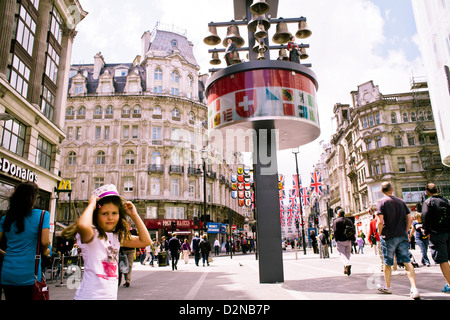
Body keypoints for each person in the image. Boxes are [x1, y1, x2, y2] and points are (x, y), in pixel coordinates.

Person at [61, 184, 151, 300]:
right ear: (96, 215)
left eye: (114, 213)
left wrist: (134, 215)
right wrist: (91, 205)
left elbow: (145, 241)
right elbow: (83, 225)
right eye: (104, 213)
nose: (110, 217)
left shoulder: (116, 237)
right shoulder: (92, 234)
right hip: (88, 297)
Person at [0, 182, 50, 300]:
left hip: (8, 273)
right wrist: (46, 251)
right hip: (29, 276)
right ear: (32, 198)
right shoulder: (42, 215)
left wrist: (4, 253)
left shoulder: (6, 218)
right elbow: (44, 242)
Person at [376, 181, 420, 299]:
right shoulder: (401, 201)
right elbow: (409, 218)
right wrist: (406, 232)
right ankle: (414, 288)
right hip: (401, 235)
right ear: (392, 189)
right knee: (407, 261)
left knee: (387, 263)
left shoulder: (381, 202)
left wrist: (380, 233)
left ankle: (388, 286)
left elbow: (380, 222)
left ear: (382, 191)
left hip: (388, 236)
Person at [421, 183, 450, 293]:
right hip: (449, 231)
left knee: (443, 259)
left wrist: (426, 231)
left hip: (437, 233)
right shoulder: (447, 201)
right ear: (437, 189)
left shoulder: (428, 202)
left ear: (427, 192)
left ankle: (449, 283)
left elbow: (425, 217)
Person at [332, 209, 355, 276]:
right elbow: (353, 230)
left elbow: (335, 231)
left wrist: (336, 239)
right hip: (348, 239)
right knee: (347, 254)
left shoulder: (336, 221)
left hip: (340, 240)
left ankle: (347, 264)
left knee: (342, 254)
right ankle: (345, 269)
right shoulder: (349, 221)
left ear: (338, 214)